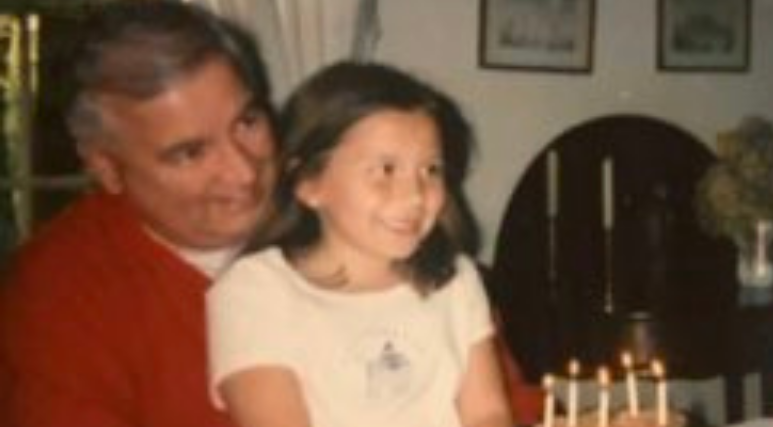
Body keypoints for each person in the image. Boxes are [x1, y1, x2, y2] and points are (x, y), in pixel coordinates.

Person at [0, 2, 276, 426]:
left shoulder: (346, 205)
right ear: (108, 169)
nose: (243, 171)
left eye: (248, 121)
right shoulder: (58, 300)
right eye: (191, 152)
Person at [206, 62, 512, 427]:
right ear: (309, 183)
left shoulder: (456, 279)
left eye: (430, 170)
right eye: (385, 170)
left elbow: (488, 414)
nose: (415, 195)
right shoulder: (254, 292)